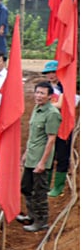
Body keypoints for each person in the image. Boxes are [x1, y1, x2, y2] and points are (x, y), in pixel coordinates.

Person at [17, 82, 61, 233]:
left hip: (40, 160)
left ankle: (41, 222)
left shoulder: (52, 113)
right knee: (26, 187)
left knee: (39, 192)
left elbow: (51, 139)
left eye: (42, 93)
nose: (38, 96)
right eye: (37, 92)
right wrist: (26, 153)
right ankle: (32, 215)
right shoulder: (37, 109)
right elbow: (33, 136)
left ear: (50, 96)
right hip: (32, 156)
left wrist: (42, 162)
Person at [42, 60, 72, 198]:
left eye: (53, 72)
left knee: (61, 156)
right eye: (48, 73)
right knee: (48, 154)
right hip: (48, 125)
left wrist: (46, 105)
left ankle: (58, 186)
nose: (51, 75)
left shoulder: (65, 87)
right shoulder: (45, 87)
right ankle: (45, 184)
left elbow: (63, 104)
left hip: (63, 125)